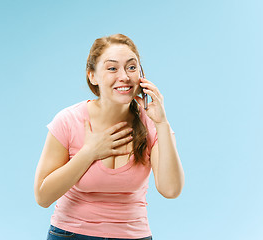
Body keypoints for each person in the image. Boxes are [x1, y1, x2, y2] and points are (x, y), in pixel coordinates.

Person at [34, 33, 184, 240]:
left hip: (133, 236)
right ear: (92, 76)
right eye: (112, 68)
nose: (124, 76)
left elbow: (171, 189)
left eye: (131, 67)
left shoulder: (153, 123)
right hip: (70, 234)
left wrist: (162, 124)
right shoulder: (68, 121)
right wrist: (89, 153)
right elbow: (43, 196)